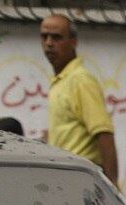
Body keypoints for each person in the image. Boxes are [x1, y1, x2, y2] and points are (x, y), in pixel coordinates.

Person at [40, 14, 118, 185]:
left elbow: (104, 133)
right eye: (44, 36)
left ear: (73, 42)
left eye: (56, 37)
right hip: (64, 179)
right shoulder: (62, 80)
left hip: (80, 180)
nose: (49, 43)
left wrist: (113, 187)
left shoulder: (81, 80)